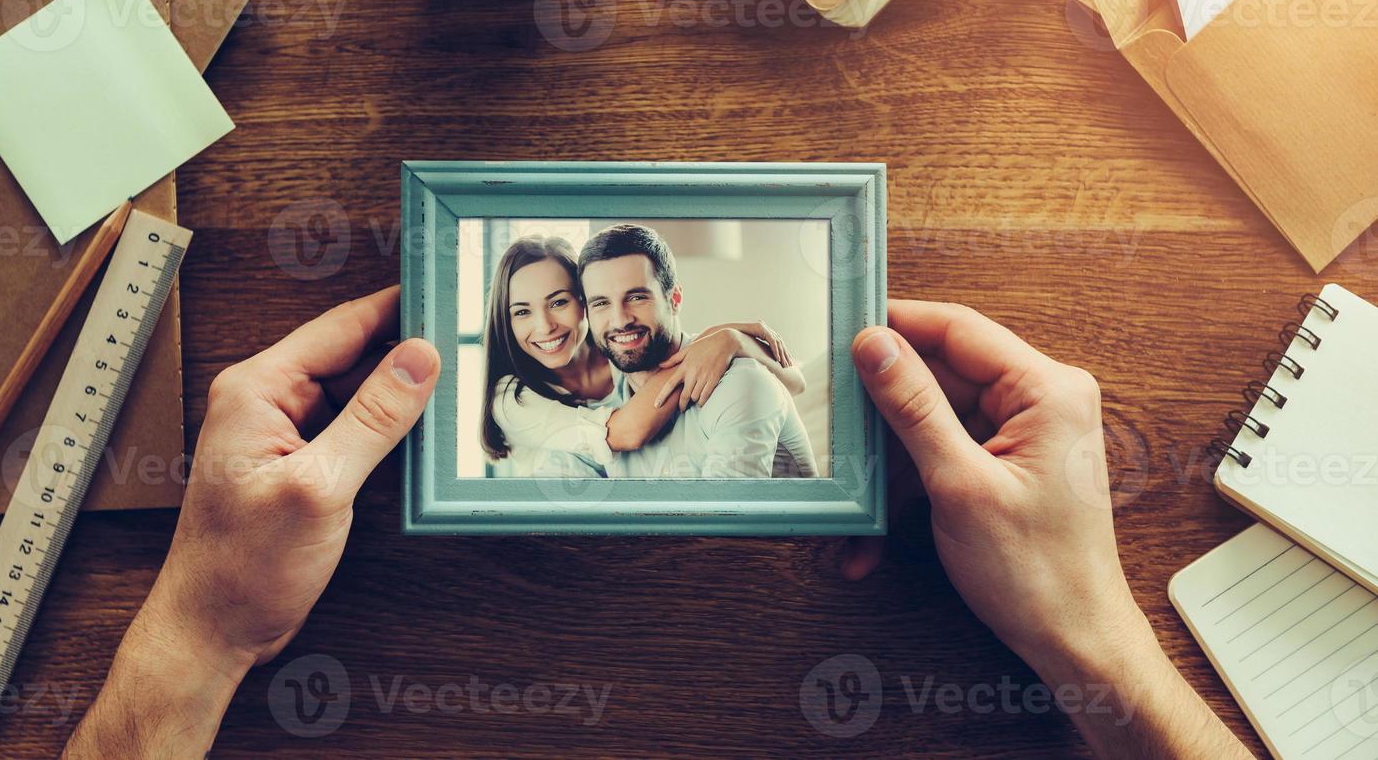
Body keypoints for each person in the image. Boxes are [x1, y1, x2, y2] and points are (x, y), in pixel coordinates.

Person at [62, 289, 1251, 758]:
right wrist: (1098, 644)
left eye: (607, 303)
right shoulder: (539, 401)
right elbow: (621, 435)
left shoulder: (666, 368)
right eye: (542, 312)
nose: (586, 323)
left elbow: (649, 417)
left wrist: (199, 632)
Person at [479, 234, 807, 477]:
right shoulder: (513, 399)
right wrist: (718, 342)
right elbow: (625, 432)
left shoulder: (622, 357)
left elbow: (791, 383)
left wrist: (734, 342)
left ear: (581, 305)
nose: (544, 325)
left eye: (559, 302)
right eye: (521, 311)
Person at [576, 223, 821, 478]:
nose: (619, 320)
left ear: (675, 299)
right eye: (601, 303)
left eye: (637, 297)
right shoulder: (601, 411)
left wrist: (734, 340)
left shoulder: (740, 384)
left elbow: (726, 515)